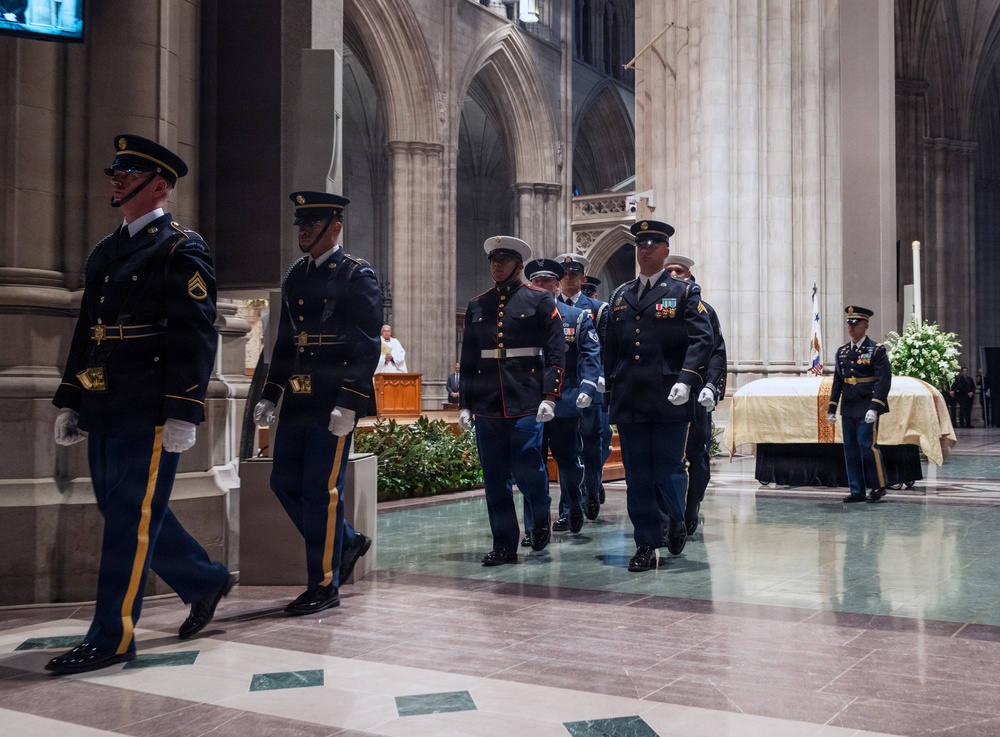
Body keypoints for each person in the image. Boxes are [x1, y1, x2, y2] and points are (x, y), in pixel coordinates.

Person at [47, 134, 233, 675]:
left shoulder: (180, 248)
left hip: (151, 406)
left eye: (128, 172)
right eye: (117, 171)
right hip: (106, 400)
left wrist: (184, 409)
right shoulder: (106, 251)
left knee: (129, 517)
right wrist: (72, 398)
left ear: (159, 186)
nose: (117, 178)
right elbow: (90, 334)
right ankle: (205, 579)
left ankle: (112, 635)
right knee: (123, 509)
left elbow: (196, 335)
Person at [253, 191, 381, 614]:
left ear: (335, 227)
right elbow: (286, 343)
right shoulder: (296, 276)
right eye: (301, 224)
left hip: (333, 402)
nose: (304, 231)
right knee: (283, 483)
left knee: (320, 491)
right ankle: (346, 541)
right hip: (299, 400)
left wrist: (350, 402)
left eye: (312, 224)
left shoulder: (356, 275)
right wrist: (271, 393)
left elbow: (366, 348)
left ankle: (323, 584)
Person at [604, 220, 714, 572]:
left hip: (670, 397)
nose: (645, 249)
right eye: (640, 244)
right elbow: (612, 347)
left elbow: (702, 340)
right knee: (637, 475)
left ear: (666, 251)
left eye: (653, 244)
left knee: (668, 470)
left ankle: (678, 518)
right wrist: (609, 385)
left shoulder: (683, 293)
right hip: (631, 397)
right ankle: (646, 543)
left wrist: (688, 379)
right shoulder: (620, 295)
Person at [458, 236, 565, 566]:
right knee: (494, 478)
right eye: (493, 260)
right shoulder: (478, 305)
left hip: (526, 397)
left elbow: (557, 352)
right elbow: (470, 357)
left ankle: (539, 514)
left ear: (519, 266)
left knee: (527, 467)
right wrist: (465, 402)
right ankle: (504, 544)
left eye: (503, 260)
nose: (497, 265)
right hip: (488, 402)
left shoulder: (540, 300)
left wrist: (550, 395)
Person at [522, 258, 601, 538]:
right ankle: (534, 525)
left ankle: (572, 506)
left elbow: (591, 353)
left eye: (547, 282)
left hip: (565, 398)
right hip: (529, 400)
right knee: (532, 463)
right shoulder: (521, 317)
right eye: (537, 282)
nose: (542, 286)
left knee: (568, 460)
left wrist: (587, 387)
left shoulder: (575, 316)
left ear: (557, 285)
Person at [663, 253, 727, 535]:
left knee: (697, 453)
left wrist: (712, 386)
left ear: (690, 276)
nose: (674, 275)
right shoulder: (655, 307)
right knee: (665, 455)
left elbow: (716, 352)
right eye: (670, 271)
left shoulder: (704, 309)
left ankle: (692, 505)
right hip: (663, 391)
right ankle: (667, 511)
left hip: (696, 392)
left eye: (680, 271)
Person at [556, 252, 610, 517]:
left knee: (591, 446)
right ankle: (567, 506)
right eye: (565, 274)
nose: (569, 278)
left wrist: (599, 376)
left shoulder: (598, 309)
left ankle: (592, 488)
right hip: (560, 388)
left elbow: (603, 348)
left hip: (590, 386)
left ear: (582, 277)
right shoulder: (548, 307)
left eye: (574, 274)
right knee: (566, 450)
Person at [827, 306, 892, 503]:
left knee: (867, 446)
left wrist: (875, 407)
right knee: (850, 448)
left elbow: (883, 381)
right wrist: (832, 408)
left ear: (865, 325)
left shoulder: (876, 350)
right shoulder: (842, 351)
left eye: (855, 324)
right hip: (849, 405)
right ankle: (857, 490)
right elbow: (838, 381)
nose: (851, 327)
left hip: (867, 405)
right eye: (849, 323)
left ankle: (878, 486)